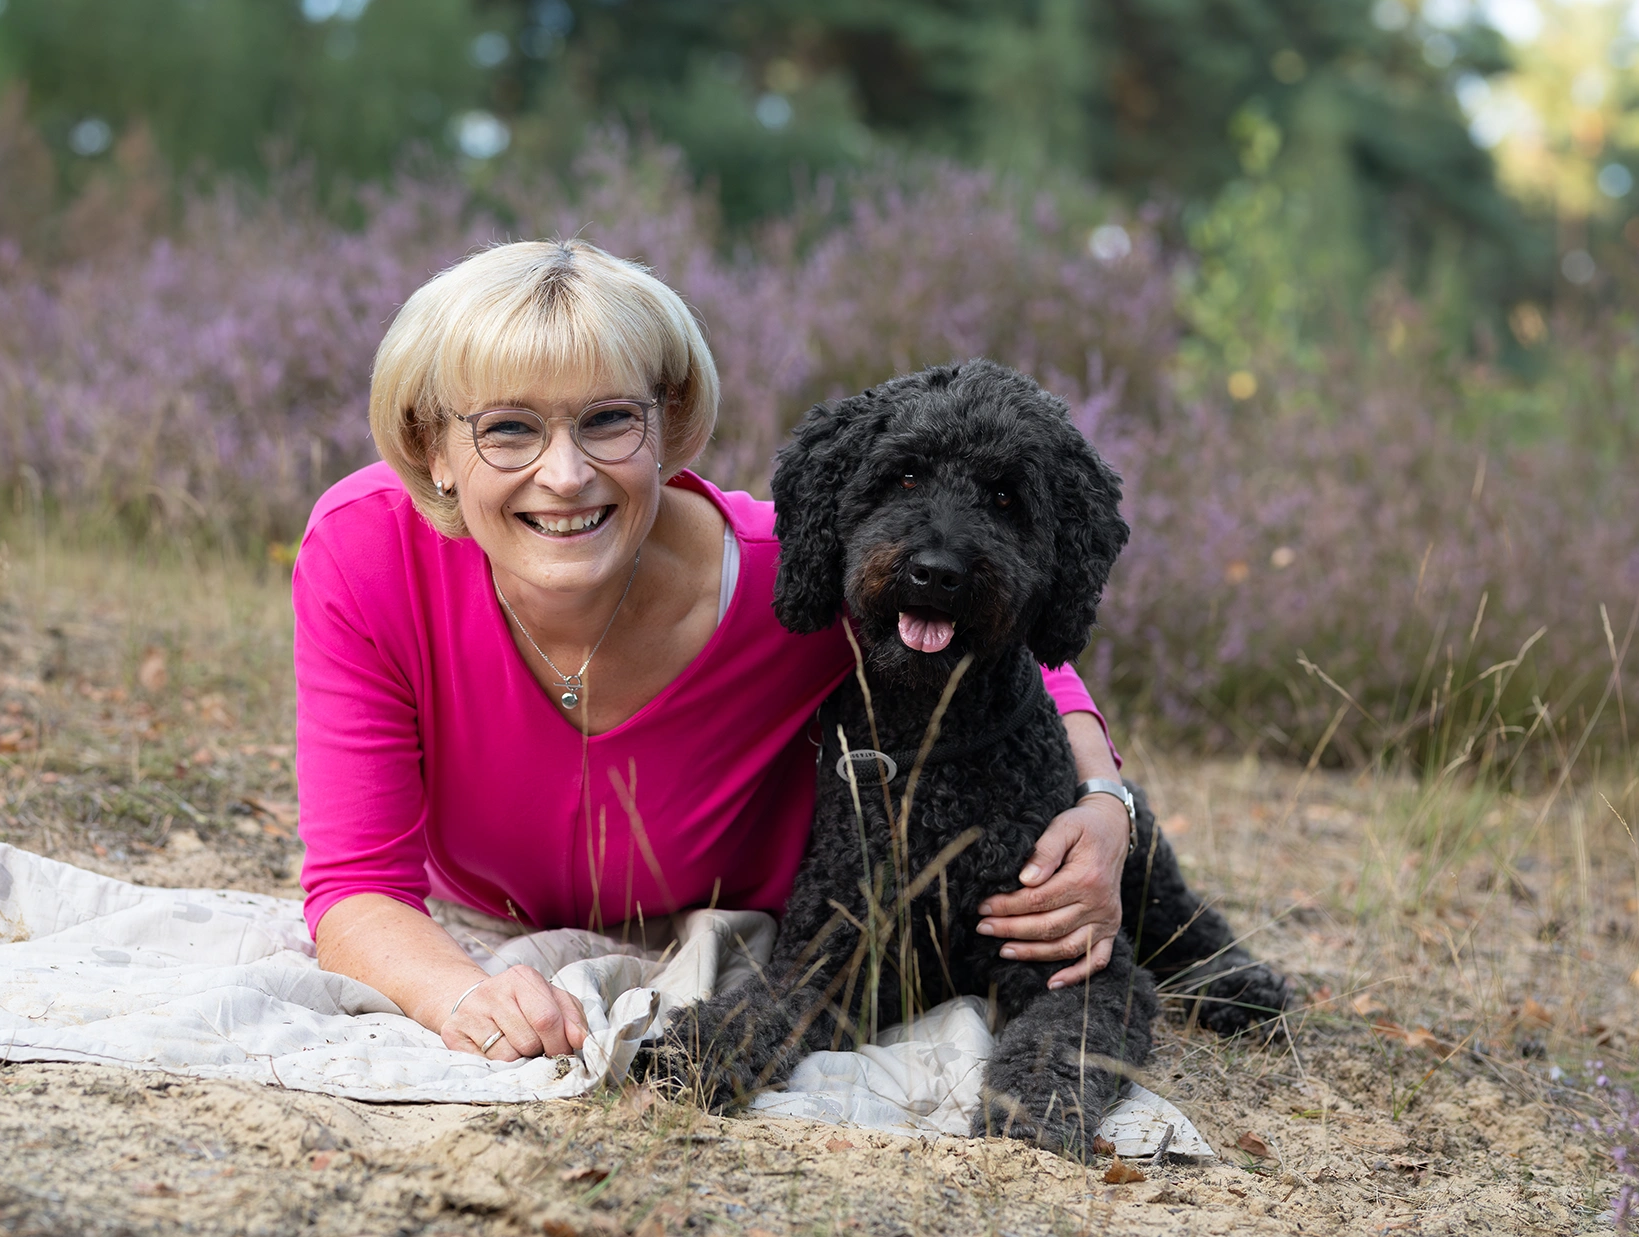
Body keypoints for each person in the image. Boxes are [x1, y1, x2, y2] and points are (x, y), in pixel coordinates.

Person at [294, 239, 1133, 1065]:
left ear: (667, 425)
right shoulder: (368, 552)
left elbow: (1008, 639)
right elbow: (355, 884)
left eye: (609, 420)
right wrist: (465, 993)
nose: (565, 473)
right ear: (433, 447)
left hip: (794, 938)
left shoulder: (790, 574)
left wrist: (1103, 803)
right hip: (490, 915)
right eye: (508, 429)